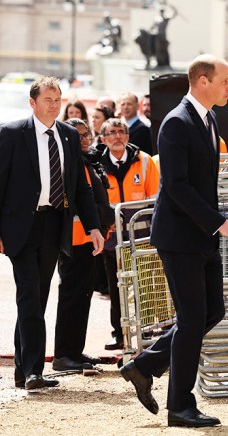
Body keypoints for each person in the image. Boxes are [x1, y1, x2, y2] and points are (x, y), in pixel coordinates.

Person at [119, 54, 228, 428]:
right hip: (180, 237)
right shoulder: (177, 123)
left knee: (212, 313)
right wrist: (220, 223)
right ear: (203, 81)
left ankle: (144, 366)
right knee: (192, 318)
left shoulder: (208, 118)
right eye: (225, 81)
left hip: (202, 236)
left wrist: (214, 226)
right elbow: (175, 186)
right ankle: (180, 406)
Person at [0, 76, 104, 390]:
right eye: (48, 100)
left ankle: (23, 370)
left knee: (35, 299)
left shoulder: (70, 136)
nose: (54, 105)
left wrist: (94, 227)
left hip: (54, 226)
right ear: (33, 103)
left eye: (58, 100)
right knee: (30, 295)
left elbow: (81, 188)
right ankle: (33, 371)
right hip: (20, 227)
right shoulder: (11, 133)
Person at [53, 118, 114, 371]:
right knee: (71, 297)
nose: (84, 139)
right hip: (74, 242)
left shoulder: (89, 163)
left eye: (86, 134)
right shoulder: (66, 166)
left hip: (89, 242)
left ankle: (74, 352)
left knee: (82, 297)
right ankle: (64, 354)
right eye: (78, 136)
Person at [98, 118, 160, 351]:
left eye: (121, 132)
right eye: (111, 132)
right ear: (103, 138)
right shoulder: (98, 164)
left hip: (141, 237)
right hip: (112, 239)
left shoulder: (144, 161)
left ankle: (146, 330)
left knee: (144, 284)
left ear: (128, 136)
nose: (117, 136)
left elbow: (155, 200)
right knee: (116, 287)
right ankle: (120, 334)